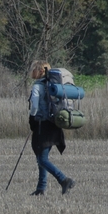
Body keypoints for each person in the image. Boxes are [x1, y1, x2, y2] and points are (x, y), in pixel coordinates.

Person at [28, 60, 75, 196]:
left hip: (43, 125)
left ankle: (64, 180)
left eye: (33, 69)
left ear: (40, 71)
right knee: (42, 157)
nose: (31, 72)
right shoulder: (52, 86)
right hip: (54, 124)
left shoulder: (38, 86)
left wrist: (32, 118)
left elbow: (35, 106)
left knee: (42, 159)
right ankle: (41, 188)